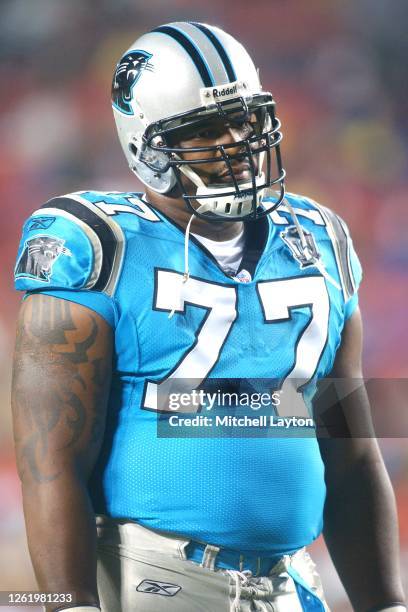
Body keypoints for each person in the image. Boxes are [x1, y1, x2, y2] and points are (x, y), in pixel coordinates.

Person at [11, 21, 405, 612]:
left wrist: (387, 603)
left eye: (244, 119)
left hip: (291, 585)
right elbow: (50, 454)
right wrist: (70, 603)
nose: (236, 143)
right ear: (147, 146)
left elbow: (347, 445)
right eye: (205, 129)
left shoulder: (319, 237)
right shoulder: (98, 243)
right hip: (155, 580)